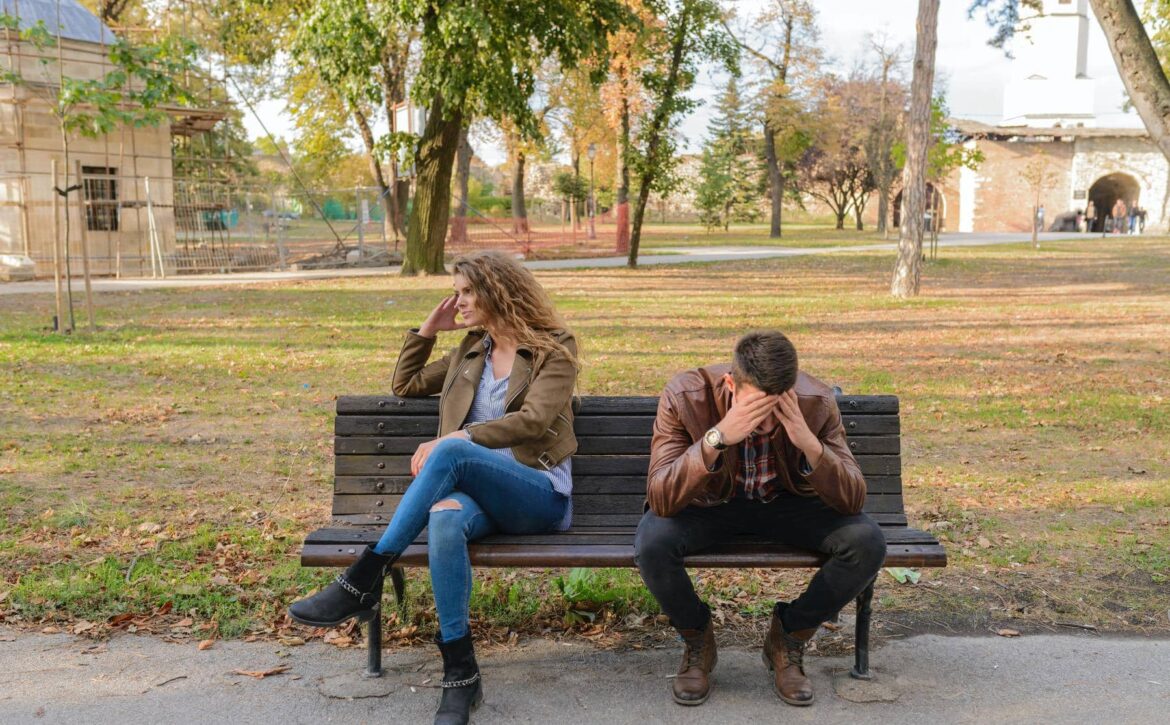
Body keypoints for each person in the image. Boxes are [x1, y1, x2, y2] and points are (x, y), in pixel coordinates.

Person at [289, 250, 579, 725]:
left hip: (538, 492)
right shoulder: (471, 351)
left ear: (496, 291)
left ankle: (365, 577)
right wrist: (427, 330)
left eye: (466, 291)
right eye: (456, 291)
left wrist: (460, 437)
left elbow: (535, 421)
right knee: (444, 518)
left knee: (450, 451)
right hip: (476, 494)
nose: (457, 300)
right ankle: (460, 675)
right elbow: (405, 385)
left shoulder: (554, 346)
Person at [634, 331, 884, 708]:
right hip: (710, 505)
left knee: (866, 542)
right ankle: (697, 638)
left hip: (785, 503)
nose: (764, 424)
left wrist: (807, 442)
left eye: (775, 410)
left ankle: (789, 637)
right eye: (754, 409)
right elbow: (662, 498)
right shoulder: (686, 395)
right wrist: (716, 439)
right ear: (732, 384)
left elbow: (852, 499)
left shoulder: (815, 401)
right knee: (652, 542)